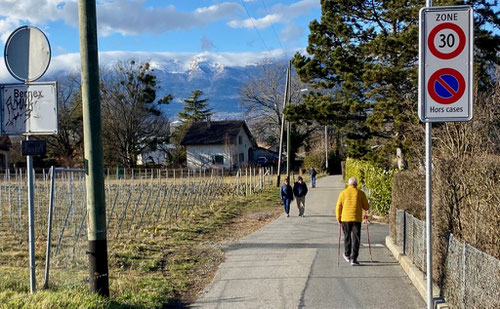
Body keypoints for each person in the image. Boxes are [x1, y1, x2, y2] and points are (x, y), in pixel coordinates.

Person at [335, 177, 369, 266]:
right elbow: (366, 207)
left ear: (348, 184)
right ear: (356, 184)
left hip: (345, 218)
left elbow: (338, 206)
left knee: (347, 237)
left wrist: (338, 217)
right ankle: (354, 258)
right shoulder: (360, 193)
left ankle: (347, 254)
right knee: (356, 238)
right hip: (356, 219)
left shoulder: (343, 193)